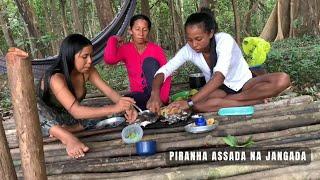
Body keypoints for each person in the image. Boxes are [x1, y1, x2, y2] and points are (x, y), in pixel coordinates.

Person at [147, 8, 291, 113]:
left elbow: (219, 77)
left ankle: (238, 100)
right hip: (221, 90)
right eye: (189, 40)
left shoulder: (224, 40)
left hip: (245, 83)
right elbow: (164, 71)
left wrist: (189, 102)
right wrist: (155, 94)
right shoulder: (188, 50)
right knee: (198, 106)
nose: (194, 44)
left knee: (282, 80)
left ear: (210, 33)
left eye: (198, 39)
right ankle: (256, 101)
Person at [38, 34, 138, 158]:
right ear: (70, 57)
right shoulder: (56, 78)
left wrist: (126, 106)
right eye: (85, 56)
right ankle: (67, 137)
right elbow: (76, 112)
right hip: (46, 119)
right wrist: (116, 107)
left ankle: (69, 129)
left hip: (67, 117)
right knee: (37, 112)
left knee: (107, 115)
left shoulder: (88, 71)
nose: (90, 61)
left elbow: (110, 93)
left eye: (91, 55)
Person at [104, 14, 171, 110]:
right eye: (137, 29)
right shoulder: (125, 49)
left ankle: (154, 105)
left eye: (145, 29)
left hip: (156, 95)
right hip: (139, 96)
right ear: (130, 31)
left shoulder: (156, 50)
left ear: (148, 31)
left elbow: (167, 74)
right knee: (126, 101)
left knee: (149, 62)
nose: (141, 33)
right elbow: (109, 59)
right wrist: (113, 39)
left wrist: (162, 99)